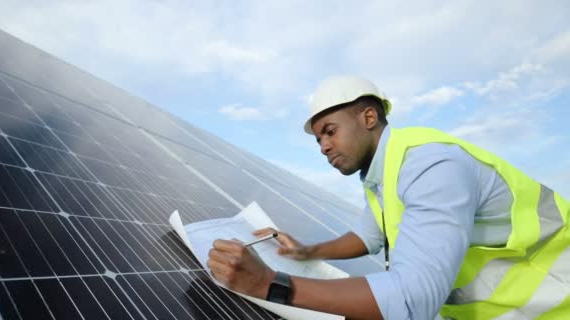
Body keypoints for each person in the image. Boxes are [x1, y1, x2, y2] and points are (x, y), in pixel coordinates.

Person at [207, 76, 570, 320]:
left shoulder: (430, 165)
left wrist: (269, 284)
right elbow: (367, 237)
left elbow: (414, 299)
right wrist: (304, 252)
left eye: (329, 132)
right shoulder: (383, 174)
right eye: (318, 140)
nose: (323, 147)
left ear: (368, 117)